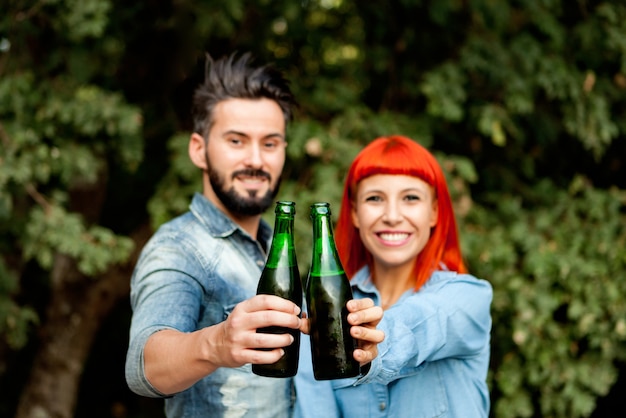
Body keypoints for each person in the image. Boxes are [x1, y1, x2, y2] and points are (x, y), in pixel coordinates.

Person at [124, 52, 384, 418]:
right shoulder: (177, 249)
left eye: (270, 143)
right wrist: (218, 343)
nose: (256, 160)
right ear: (199, 149)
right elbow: (144, 365)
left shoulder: (278, 250)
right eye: (236, 141)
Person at [294, 135, 493, 417]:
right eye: (375, 198)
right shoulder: (317, 311)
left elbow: (426, 321)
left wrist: (376, 337)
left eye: (410, 198)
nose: (392, 215)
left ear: (434, 212)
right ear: (354, 213)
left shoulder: (468, 298)